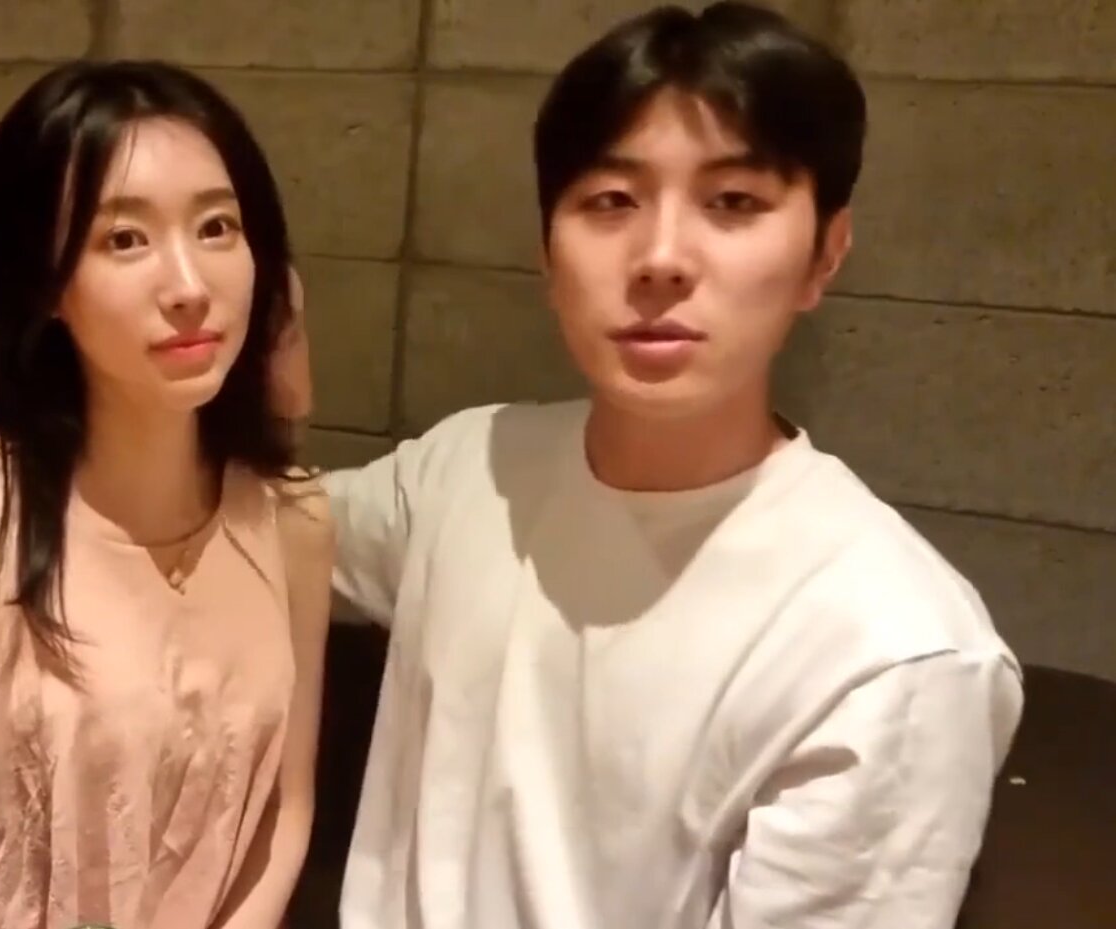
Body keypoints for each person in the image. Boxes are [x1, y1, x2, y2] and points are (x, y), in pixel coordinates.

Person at [319, 3, 1024, 927]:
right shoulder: (470, 469)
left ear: (825, 254)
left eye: (733, 202)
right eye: (611, 201)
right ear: (546, 251)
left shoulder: (894, 652)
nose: (660, 258)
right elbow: (240, 525)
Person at [0, 60, 331, 929]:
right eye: (125, 239)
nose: (189, 286)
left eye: (217, 227)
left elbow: (284, 814)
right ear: (44, 281)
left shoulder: (294, 520)